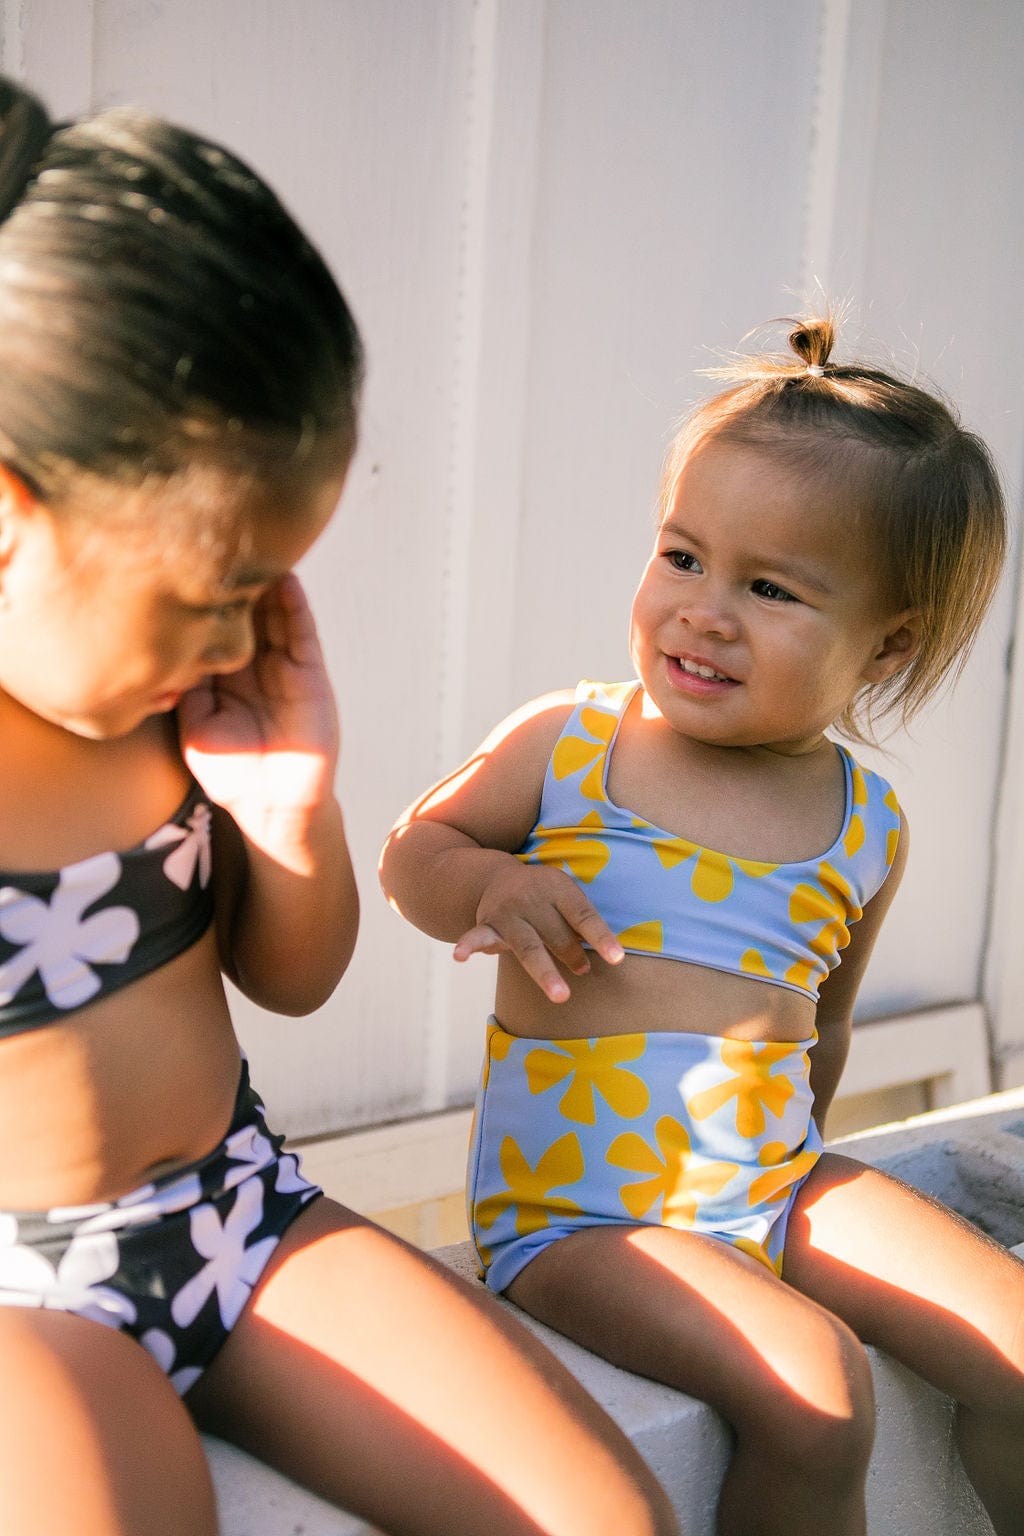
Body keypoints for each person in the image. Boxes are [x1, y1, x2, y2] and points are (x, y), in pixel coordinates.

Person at [0, 79, 679, 1536]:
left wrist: (287, 812)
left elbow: (290, 982)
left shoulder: (163, 708)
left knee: (604, 1520)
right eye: (212, 596)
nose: (247, 643)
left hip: (239, 1221)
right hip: (17, 1306)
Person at [380, 313, 1024, 1536]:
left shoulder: (864, 824)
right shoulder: (573, 742)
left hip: (773, 1182)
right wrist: (488, 888)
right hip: (582, 1216)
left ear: (884, 644)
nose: (703, 611)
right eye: (682, 556)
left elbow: (818, 1037)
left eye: (769, 588)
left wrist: (794, 1201)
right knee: (816, 1390)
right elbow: (413, 852)